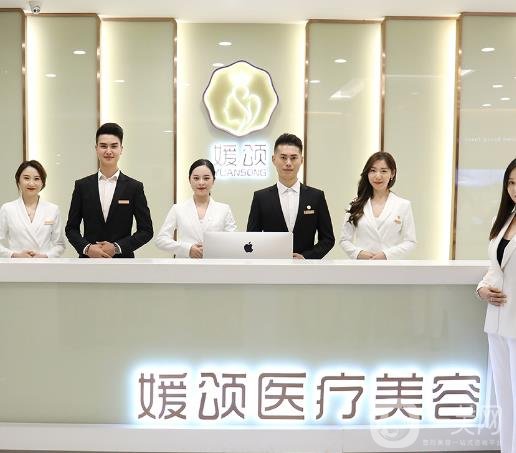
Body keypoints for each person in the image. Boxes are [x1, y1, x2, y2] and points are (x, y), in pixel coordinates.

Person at [65, 122, 153, 258]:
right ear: (96, 149)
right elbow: (71, 228)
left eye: (114, 146)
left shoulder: (134, 187)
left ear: (121, 149)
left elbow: (146, 231)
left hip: (123, 262)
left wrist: (117, 247)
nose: (108, 151)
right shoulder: (82, 186)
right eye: (103, 146)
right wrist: (87, 248)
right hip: (89, 261)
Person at [477, 158, 516, 453]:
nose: (514, 189)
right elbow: (495, 267)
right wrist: (482, 289)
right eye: (511, 183)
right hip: (498, 320)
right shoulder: (502, 219)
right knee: (505, 399)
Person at [246, 133, 334, 259]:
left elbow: (328, 239)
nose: (288, 163)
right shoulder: (260, 197)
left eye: (293, 158)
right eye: (283, 157)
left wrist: (306, 257)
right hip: (271, 266)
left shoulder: (316, 196)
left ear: (301, 160)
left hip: (305, 267)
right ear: (274, 159)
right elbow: (251, 238)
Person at [340, 151, 416, 259]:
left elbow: (410, 241)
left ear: (392, 173)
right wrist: (358, 253)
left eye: (383, 171)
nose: (378, 176)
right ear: (367, 173)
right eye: (373, 171)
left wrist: (387, 255)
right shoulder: (356, 204)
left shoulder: (403, 205)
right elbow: (344, 240)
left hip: (391, 265)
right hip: (362, 265)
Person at [155, 159, 236, 258]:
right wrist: (187, 249)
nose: (201, 182)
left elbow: (233, 241)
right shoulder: (178, 209)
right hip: (185, 264)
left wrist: (212, 248)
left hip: (214, 264)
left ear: (213, 180)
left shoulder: (224, 209)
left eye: (206, 178)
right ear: (189, 180)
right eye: (196, 178)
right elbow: (161, 240)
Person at [0, 160, 65, 258]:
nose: (31, 183)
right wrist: (14, 255)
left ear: (42, 183)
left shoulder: (53, 209)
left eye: (36, 179)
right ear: (18, 180)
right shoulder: (7, 209)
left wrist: (45, 256)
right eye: (26, 178)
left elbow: (60, 245)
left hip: (44, 264)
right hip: (16, 264)